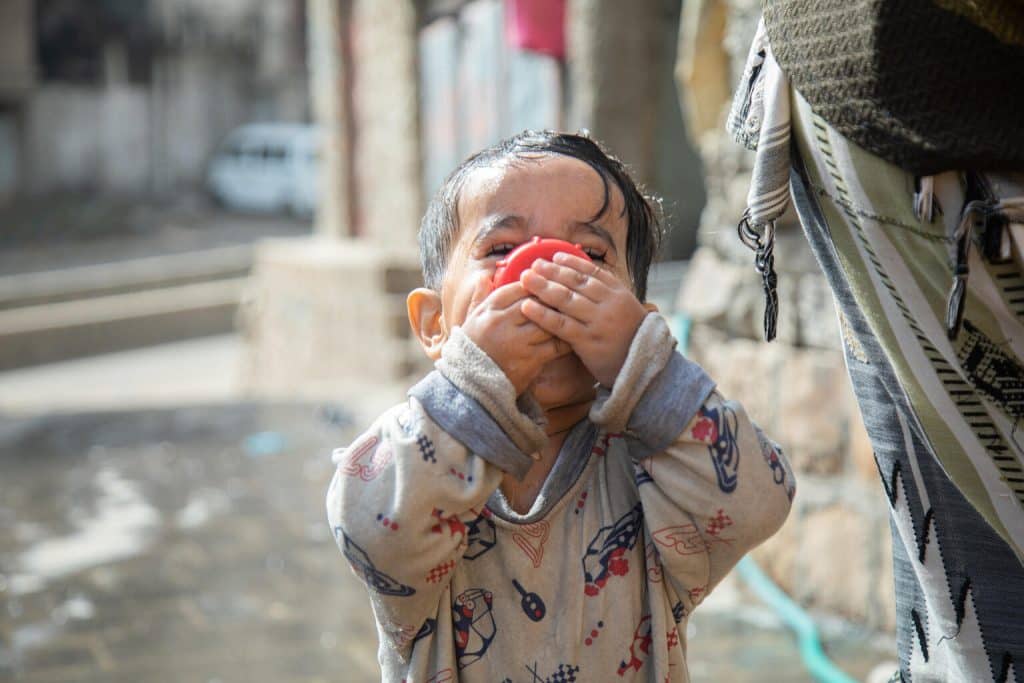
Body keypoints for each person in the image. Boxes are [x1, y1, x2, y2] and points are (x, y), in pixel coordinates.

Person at [326, 130, 795, 682]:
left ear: (637, 319)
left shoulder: (659, 465)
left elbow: (756, 504)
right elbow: (373, 533)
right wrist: (474, 388)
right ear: (434, 325)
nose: (542, 272)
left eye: (591, 257)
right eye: (501, 249)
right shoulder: (416, 450)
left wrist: (647, 372)